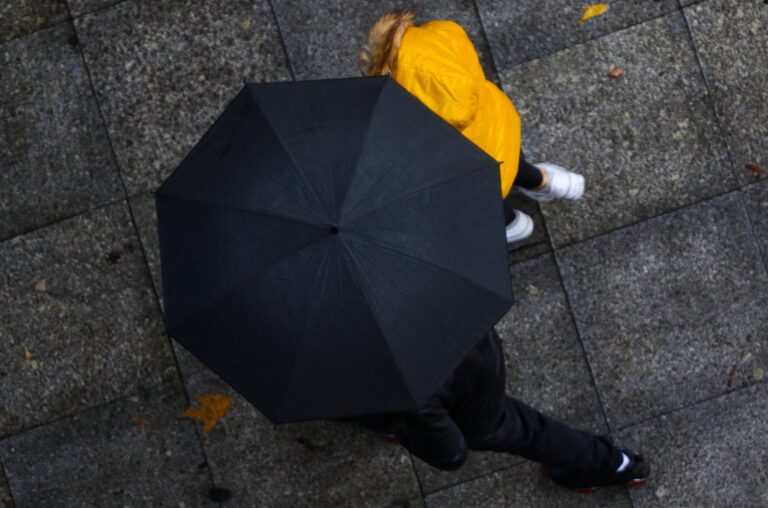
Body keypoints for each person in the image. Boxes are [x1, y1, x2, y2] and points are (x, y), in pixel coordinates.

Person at [353, 10, 650, 492]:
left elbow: (449, 453)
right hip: (496, 133)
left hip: (466, 369)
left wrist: (396, 425)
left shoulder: (392, 364)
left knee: (506, 428)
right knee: (507, 170)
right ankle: (543, 186)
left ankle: (607, 463)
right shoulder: (438, 40)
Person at [358, 9, 585, 245]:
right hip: (497, 124)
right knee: (512, 162)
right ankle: (548, 182)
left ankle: (512, 225)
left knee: (490, 198)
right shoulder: (440, 33)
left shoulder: (399, 108)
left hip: (473, 170)